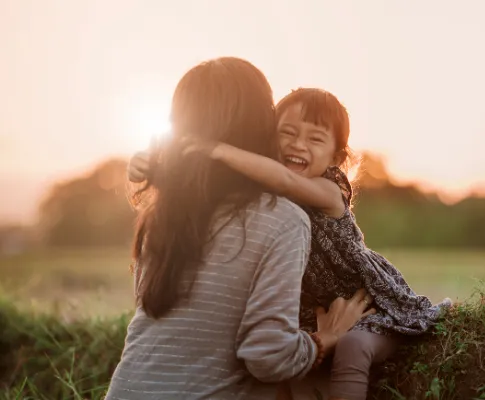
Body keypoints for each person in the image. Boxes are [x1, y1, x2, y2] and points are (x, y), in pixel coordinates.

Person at [128, 88, 452, 400]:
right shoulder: (263, 180)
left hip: (363, 305)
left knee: (353, 346)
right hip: (311, 312)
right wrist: (152, 162)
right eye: (288, 133)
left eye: (315, 138)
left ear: (336, 157)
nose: (298, 145)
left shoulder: (328, 191)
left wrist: (217, 149)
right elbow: (219, 175)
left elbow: (284, 180)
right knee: (278, 366)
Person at [106, 58, 375, 400]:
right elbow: (267, 357)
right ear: (262, 124)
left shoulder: (163, 214)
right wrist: (329, 338)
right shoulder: (281, 219)